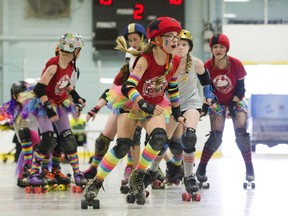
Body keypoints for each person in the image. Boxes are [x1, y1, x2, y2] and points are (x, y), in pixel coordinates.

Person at [82, 16, 185, 206]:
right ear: (157, 39)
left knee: (159, 138)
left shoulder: (175, 61)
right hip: (132, 103)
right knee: (122, 146)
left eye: (176, 36)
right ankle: (95, 182)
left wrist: (177, 112)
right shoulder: (144, 59)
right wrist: (144, 105)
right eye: (170, 36)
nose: (176, 40)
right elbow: (128, 87)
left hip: (154, 104)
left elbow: (172, 87)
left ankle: (137, 175)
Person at [144, 29, 216, 195]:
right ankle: (153, 171)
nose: (181, 48)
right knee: (162, 142)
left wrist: (208, 100)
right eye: (178, 45)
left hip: (191, 102)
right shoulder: (166, 63)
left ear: (189, 47)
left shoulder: (196, 63)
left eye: (185, 45)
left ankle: (189, 176)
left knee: (189, 137)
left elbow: (206, 83)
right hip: (170, 104)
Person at [83, 23, 147, 186]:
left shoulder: (148, 59)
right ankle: (93, 168)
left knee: (137, 138)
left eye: (135, 39)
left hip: (142, 103)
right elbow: (110, 92)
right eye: (130, 40)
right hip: (123, 104)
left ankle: (134, 169)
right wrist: (95, 108)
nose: (132, 43)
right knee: (103, 140)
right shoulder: (124, 71)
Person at [21, 33, 87, 188]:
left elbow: (65, 83)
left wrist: (76, 96)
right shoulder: (53, 65)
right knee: (49, 138)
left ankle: (77, 173)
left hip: (60, 102)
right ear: (74, 50)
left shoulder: (70, 65)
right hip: (44, 104)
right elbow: (39, 88)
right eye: (79, 50)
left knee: (68, 138)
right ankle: (33, 173)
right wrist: (49, 110)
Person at [196, 33, 255, 186]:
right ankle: (201, 169)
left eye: (222, 47)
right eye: (215, 47)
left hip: (237, 100)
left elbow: (241, 89)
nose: (218, 50)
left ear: (226, 49)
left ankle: (249, 169)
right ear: (211, 49)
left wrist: (233, 106)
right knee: (216, 137)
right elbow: (207, 90)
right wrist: (211, 104)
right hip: (217, 102)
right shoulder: (207, 66)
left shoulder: (236, 64)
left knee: (241, 135)